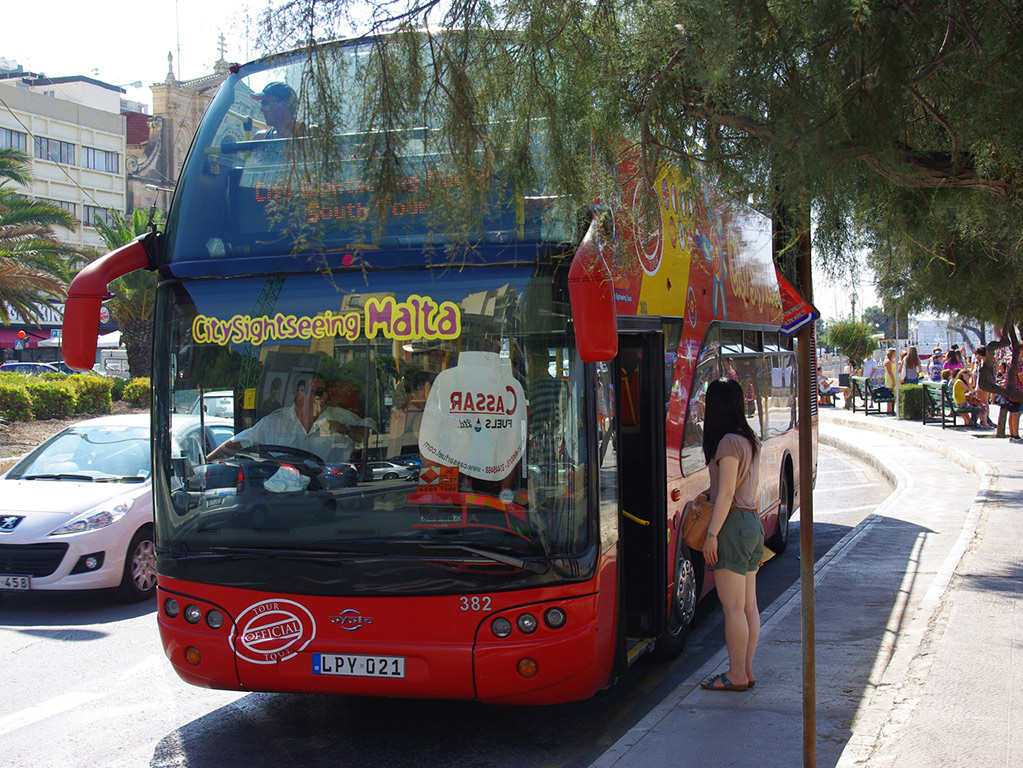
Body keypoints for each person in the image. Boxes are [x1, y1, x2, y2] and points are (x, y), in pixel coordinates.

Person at [698, 378, 762, 693]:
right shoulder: (750, 439)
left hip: (732, 525)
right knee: (748, 605)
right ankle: (745, 670)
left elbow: (725, 494)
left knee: (733, 607)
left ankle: (736, 674)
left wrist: (711, 534)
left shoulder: (726, 443)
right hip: (752, 523)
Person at [208, 376, 373, 463]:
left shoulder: (341, 417)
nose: (325, 396)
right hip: (287, 498)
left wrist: (345, 429)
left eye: (325, 392)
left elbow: (375, 438)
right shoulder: (274, 423)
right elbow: (237, 443)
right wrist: (206, 463)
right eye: (319, 392)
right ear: (300, 394)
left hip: (335, 494)